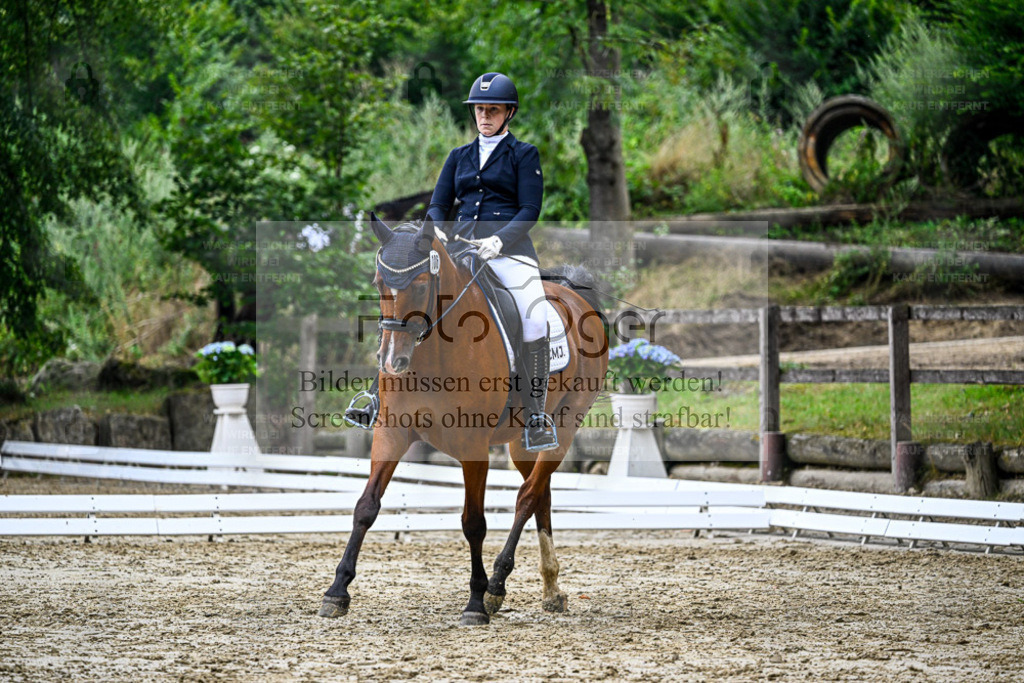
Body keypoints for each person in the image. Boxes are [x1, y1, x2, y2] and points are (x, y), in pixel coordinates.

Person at [346, 72, 558, 452]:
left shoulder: (524, 155)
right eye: (480, 109)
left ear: (509, 113)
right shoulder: (458, 156)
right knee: (407, 301)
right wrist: (436, 232)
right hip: (458, 249)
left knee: (535, 314)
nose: (485, 116)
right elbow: (439, 204)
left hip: (509, 252)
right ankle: (378, 398)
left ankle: (537, 415)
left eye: (492, 110)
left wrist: (499, 239)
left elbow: (530, 209)